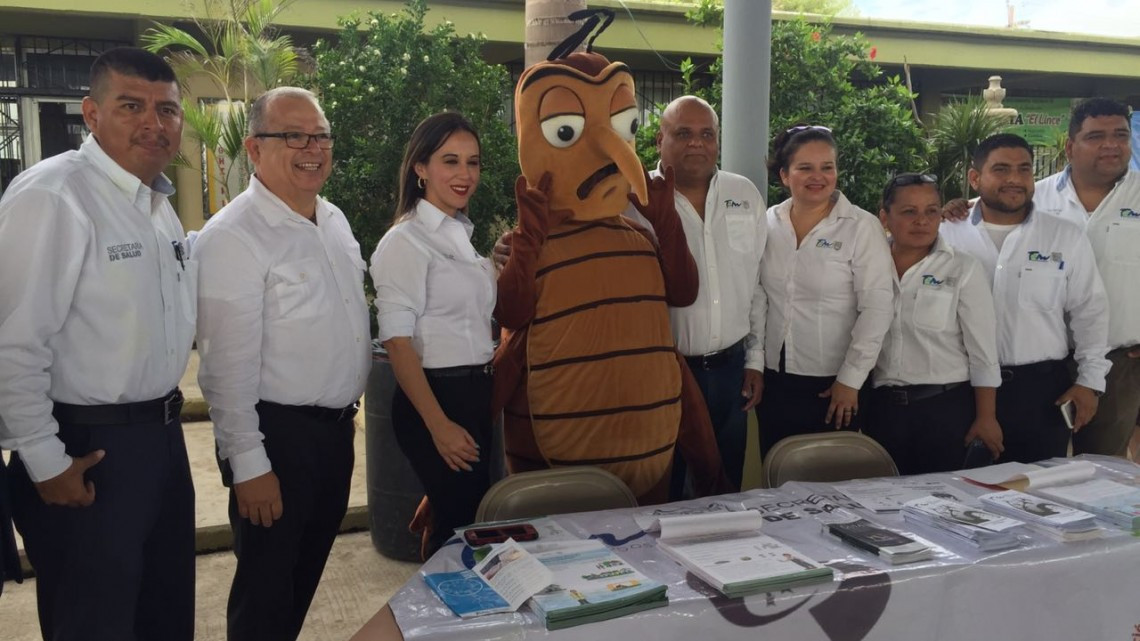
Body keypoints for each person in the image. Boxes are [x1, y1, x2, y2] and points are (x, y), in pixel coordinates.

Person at [0, 47, 195, 640]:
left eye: (167, 109)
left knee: (163, 617)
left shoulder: (157, 206)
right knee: (94, 625)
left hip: (160, 442)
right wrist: (45, 460)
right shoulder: (54, 196)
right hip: (86, 448)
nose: (153, 124)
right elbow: (13, 342)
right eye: (131, 106)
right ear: (90, 112)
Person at [194, 87, 370, 641]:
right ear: (253, 148)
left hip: (335, 436)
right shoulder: (233, 236)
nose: (311, 147)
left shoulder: (333, 219)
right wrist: (248, 464)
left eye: (320, 135)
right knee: (265, 594)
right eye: (292, 135)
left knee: (301, 579)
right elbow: (224, 366)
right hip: (277, 440)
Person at [618, 96, 766, 495]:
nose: (697, 143)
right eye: (683, 133)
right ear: (659, 139)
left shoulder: (745, 194)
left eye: (707, 134)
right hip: (665, 374)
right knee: (667, 488)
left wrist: (755, 360)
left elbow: (756, 285)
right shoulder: (631, 201)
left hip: (733, 372)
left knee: (725, 485)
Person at [939, 133, 1109, 463]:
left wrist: (1090, 381)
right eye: (1001, 169)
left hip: (1041, 393)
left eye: (1024, 169)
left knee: (1039, 494)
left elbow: (1090, 311)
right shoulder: (947, 234)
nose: (1014, 179)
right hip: (960, 389)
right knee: (961, 495)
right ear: (975, 178)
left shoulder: (1064, 236)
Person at [369, 112, 495, 558]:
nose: (465, 175)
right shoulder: (405, 242)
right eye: (450, 161)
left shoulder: (461, 235)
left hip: (476, 394)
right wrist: (438, 427)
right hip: (438, 398)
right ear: (420, 168)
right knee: (460, 541)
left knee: (467, 523)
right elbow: (397, 344)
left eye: (473, 163)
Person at [755, 125, 894, 458]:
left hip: (835, 384)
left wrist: (851, 380)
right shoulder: (767, 222)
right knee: (778, 475)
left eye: (827, 167)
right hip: (776, 380)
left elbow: (877, 308)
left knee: (833, 484)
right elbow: (759, 295)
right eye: (805, 168)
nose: (818, 177)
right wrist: (754, 363)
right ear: (784, 175)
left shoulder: (861, 227)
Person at [866, 173, 1003, 475]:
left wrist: (986, 417)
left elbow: (983, 351)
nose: (922, 221)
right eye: (909, 212)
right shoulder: (867, 265)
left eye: (931, 211)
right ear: (885, 217)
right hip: (881, 410)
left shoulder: (962, 268)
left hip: (945, 410)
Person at [1033, 98, 1140, 458]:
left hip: (1120, 365)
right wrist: (954, 211)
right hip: (1040, 364)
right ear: (1069, 146)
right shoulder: (1034, 198)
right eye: (1096, 136)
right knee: (1035, 469)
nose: (1111, 144)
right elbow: (979, 224)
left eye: (1120, 135)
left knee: (1100, 473)